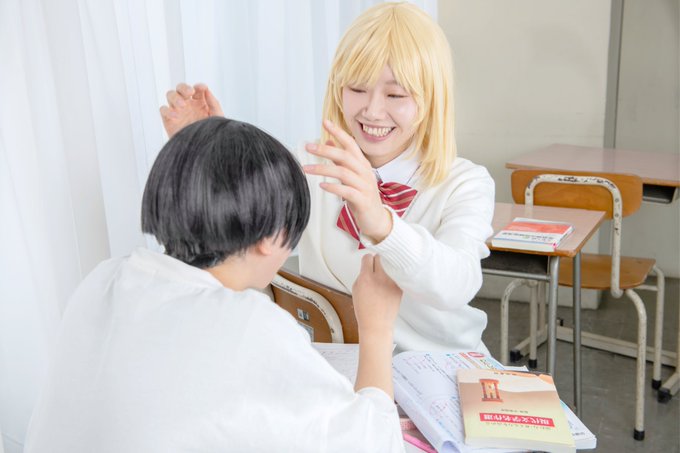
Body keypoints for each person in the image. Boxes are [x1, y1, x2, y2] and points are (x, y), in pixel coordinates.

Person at [24, 117, 405, 452]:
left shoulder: (104, 278)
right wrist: (376, 328)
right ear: (272, 236)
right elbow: (375, 443)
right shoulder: (248, 324)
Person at [160, 2, 495, 354]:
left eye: (395, 95)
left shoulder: (465, 183)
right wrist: (203, 148)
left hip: (443, 365)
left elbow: (457, 284)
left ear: (432, 100)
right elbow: (230, 223)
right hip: (340, 366)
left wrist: (382, 223)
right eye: (357, 89)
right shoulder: (307, 165)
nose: (372, 111)